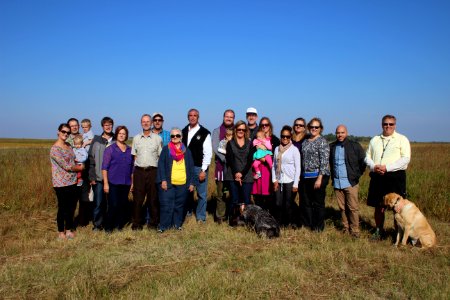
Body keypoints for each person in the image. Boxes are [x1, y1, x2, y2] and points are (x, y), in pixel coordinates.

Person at [365, 115, 411, 240]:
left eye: (391, 124)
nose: (388, 126)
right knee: (378, 206)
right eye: (386, 124)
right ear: (382, 125)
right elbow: (367, 156)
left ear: (395, 125)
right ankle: (379, 231)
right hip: (377, 176)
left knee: (397, 207)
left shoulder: (402, 139)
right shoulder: (375, 139)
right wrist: (374, 166)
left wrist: (387, 167)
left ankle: (398, 233)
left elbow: (406, 158)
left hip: (395, 177)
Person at [329, 125, 366, 238]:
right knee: (342, 208)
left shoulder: (354, 146)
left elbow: (362, 162)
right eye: (338, 133)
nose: (340, 135)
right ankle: (346, 228)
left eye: (342, 132)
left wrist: (356, 176)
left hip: (350, 182)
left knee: (353, 208)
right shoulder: (332, 146)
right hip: (337, 182)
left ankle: (355, 230)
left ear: (347, 133)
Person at [50, 123, 85, 239]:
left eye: (68, 132)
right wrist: (79, 168)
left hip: (73, 181)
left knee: (71, 207)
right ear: (58, 132)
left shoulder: (69, 146)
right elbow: (66, 165)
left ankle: (69, 229)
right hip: (60, 183)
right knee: (63, 207)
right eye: (63, 132)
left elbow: (75, 158)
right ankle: (61, 232)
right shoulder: (55, 149)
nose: (65, 134)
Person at [157, 128, 195, 232]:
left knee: (179, 206)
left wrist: (191, 183)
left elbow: (191, 168)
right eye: (172, 136)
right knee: (166, 205)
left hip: (183, 183)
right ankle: (164, 226)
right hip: (169, 183)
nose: (175, 138)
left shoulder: (186, 151)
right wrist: (163, 180)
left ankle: (177, 225)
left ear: (181, 137)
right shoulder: (166, 149)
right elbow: (161, 165)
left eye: (177, 135)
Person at [131, 114, 163, 230]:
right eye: (143, 121)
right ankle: (137, 224)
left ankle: (153, 224)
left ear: (151, 123)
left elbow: (160, 157)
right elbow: (134, 157)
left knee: (153, 199)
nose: (146, 123)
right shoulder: (136, 138)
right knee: (138, 200)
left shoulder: (157, 139)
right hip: (139, 172)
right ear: (141, 123)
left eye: (148, 121)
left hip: (153, 171)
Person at [182, 108, 212, 224]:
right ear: (188, 117)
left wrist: (203, 170)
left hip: (199, 167)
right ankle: (188, 212)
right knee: (187, 192)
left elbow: (208, 153)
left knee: (201, 194)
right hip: (185, 167)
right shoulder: (183, 131)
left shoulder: (204, 133)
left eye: (195, 115)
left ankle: (200, 217)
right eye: (190, 115)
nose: (192, 117)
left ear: (198, 117)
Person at [299, 117, 330, 232]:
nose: (314, 129)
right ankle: (308, 224)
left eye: (316, 127)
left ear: (320, 129)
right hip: (306, 176)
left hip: (318, 176)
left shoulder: (322, 141)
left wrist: (320, 178)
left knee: (318, 203)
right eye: (311, 127)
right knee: (306, 202)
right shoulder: (306, 141)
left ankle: (318, 227)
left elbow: (324, 161)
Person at [102, 126, 133, 233]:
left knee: (122, 205)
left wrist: (132, 182)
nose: (121, 135)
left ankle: (118, 226)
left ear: (126, 136)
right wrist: (105, 183)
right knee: (113, 205)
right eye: (120, 133)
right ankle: (108, 227)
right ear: (116, 134)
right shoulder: (110, 149)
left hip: (126, 183)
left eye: (124, 133)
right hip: (113, 182)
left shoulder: (130, 150)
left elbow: (132, 168)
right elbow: (104, 168)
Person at [225, 121, 255, 226]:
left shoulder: (250, 143)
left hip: (247, 175)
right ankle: (233, 221)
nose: (241, 131)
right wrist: (236, 173)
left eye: (243, 129)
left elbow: (250, 160)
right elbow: (230, 160)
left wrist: (242, 173)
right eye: (239, 129)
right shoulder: (230, 143)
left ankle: (247, 222)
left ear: (246, 131)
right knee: (234, 199)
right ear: (235, 130)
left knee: (246, 200)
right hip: (232, 175)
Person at [272, 125, 301, 227]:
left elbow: (298, 168)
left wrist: (296, 184)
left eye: (287, 137)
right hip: (279, 180)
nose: (285, 138)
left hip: (290, 180)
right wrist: (274, 180)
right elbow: (274, 166)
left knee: (288, 204)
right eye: (283, 136)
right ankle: (279, 223)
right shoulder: (276, 149)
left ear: (290, 137)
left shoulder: (294, 150)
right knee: (278, 203)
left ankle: (289, 223)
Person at [89, 116, 115, 231]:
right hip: (99, 178)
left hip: (113, 178)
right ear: (102, 126)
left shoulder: (116, 140)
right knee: (98, 203)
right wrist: (92, 176)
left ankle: (110, 224)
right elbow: (91, 159)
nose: (108, 127)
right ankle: (97, 225)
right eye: (106, 125)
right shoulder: (96, 140)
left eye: (110, 125)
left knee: (112, 203)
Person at [212, 109, 235, 224]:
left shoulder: (238, 130)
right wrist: (226, 159)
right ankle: (220, 216)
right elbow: (216, 148)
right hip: (222, 166)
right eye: (227, 116)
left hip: (235, 168)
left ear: (233, 119)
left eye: (231, 117)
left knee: (234, 193)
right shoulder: (216, 131)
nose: (229, 118)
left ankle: (232, 215)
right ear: (223, 117)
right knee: (221, 193)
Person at [251, 117, 280, 211]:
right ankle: (259, 217)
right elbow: (251, 153)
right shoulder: (256, 138)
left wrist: (264, 159)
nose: (264, 126)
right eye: (262, 125)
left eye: (266, 124)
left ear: (270, 126)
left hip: (269, 171)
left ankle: (269, 217)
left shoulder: (275, 140)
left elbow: (277, 156)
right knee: (258, 195)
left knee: (269, 195)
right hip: (258, 170)